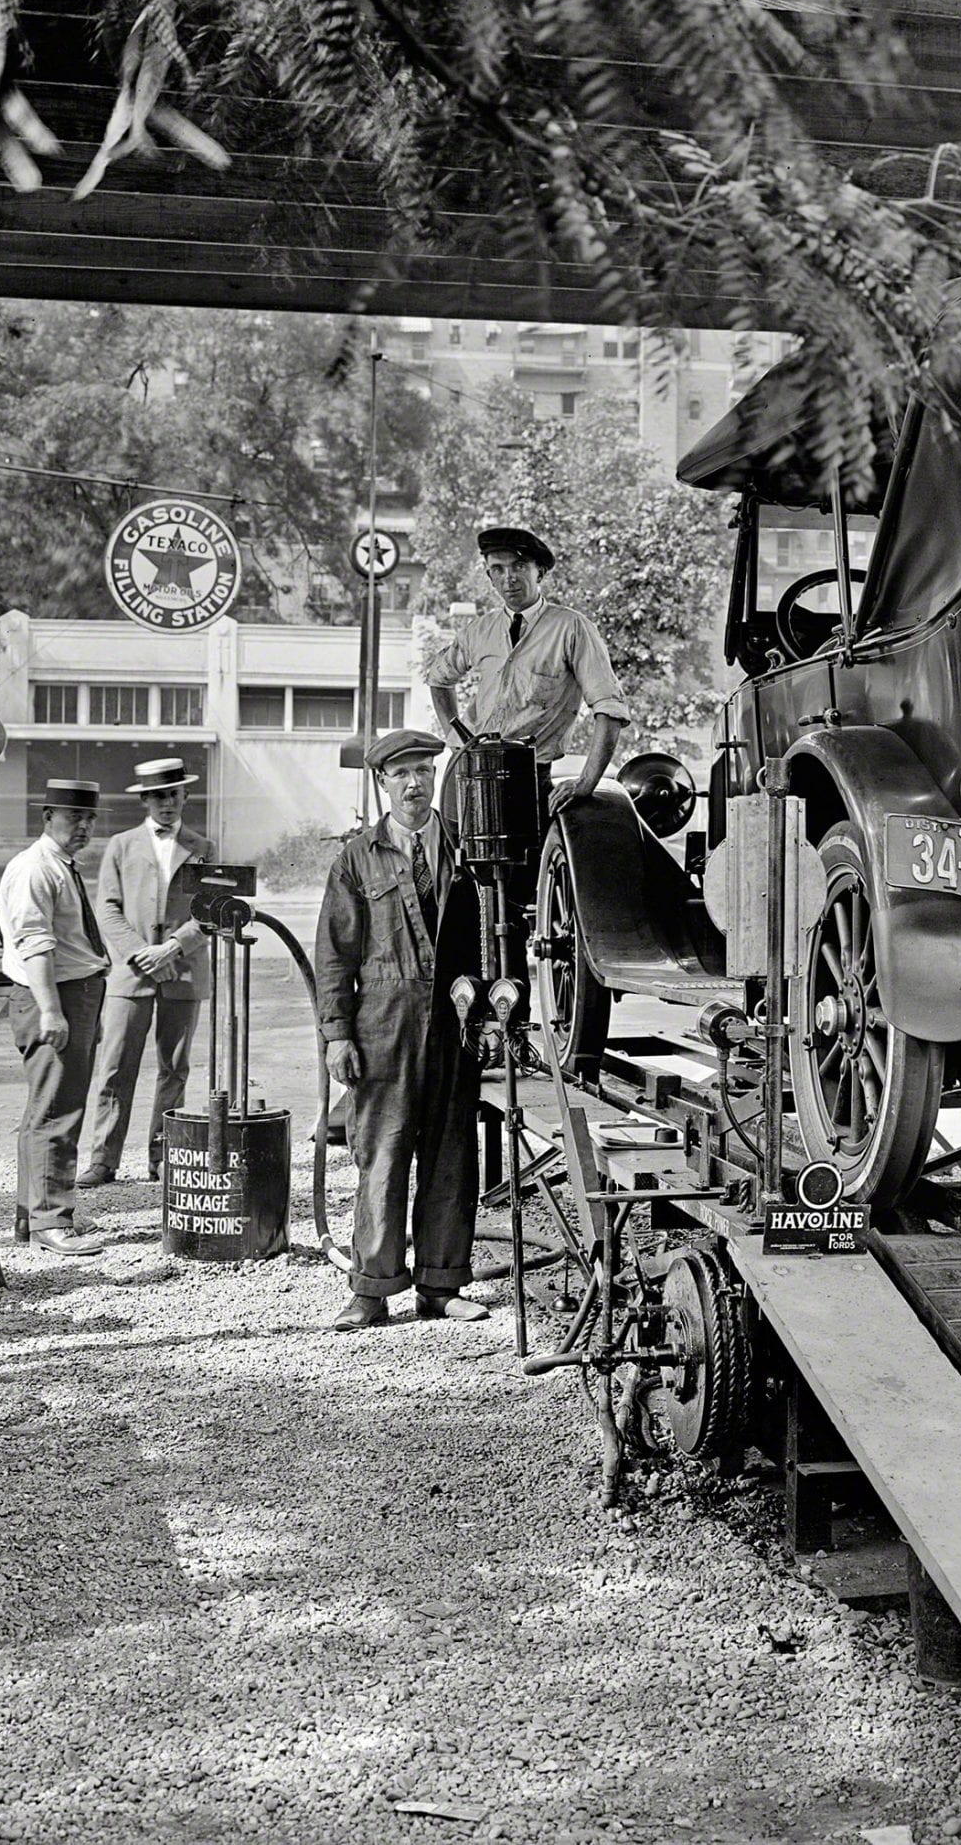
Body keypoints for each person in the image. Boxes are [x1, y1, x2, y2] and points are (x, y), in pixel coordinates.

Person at [314, 729, 487, 1328]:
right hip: (384, 1024)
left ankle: (441, 1285)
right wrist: (337, 1034)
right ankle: (371, 1290)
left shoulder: (470, 850)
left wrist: (498, 1017)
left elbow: (500, 942)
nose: (415, 783)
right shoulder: (357, 858)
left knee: (450, 1156)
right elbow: (335, 954)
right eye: (402, 774)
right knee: (382, 1157)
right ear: (382, 783)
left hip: (458, 1020)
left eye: (423, 770)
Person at [421, 523, 630, 816]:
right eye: (498, 569)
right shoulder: (479, 630)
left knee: (527, 860)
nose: (509, 579)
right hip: (467, 773)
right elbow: (438, 679)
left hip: (529, 779)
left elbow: (610, 709)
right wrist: (456, 739)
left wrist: (585, 782)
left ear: (540, 572)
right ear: (489, 577)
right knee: (456, 857)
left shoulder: (572, 628)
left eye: (519, 566)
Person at [83, 756, 213, 1188]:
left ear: (185, 796)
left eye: (173, 794)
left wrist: (174, 948)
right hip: (132, 973)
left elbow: (211, 908)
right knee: (116, 1067)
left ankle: (165, 1157)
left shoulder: (203, 848)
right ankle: (103, 1160)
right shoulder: (120, 846)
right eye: (158, 796)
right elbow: (107, 908)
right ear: (144, 800)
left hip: (183, 971)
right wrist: (142, 954)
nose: (167, 803)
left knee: (174, 1068)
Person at [0, 781, 111, 1256]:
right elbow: (34, 944)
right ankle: (49, 1220)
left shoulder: (60, 866)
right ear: (47, 815)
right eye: (72, 818)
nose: (82, 827)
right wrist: (51, 1010)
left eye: (88, 819)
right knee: (56, 1113)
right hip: (54, 996)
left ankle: (33, 1215)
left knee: (47, 1109)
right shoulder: (34, 868)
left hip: (74, 995)